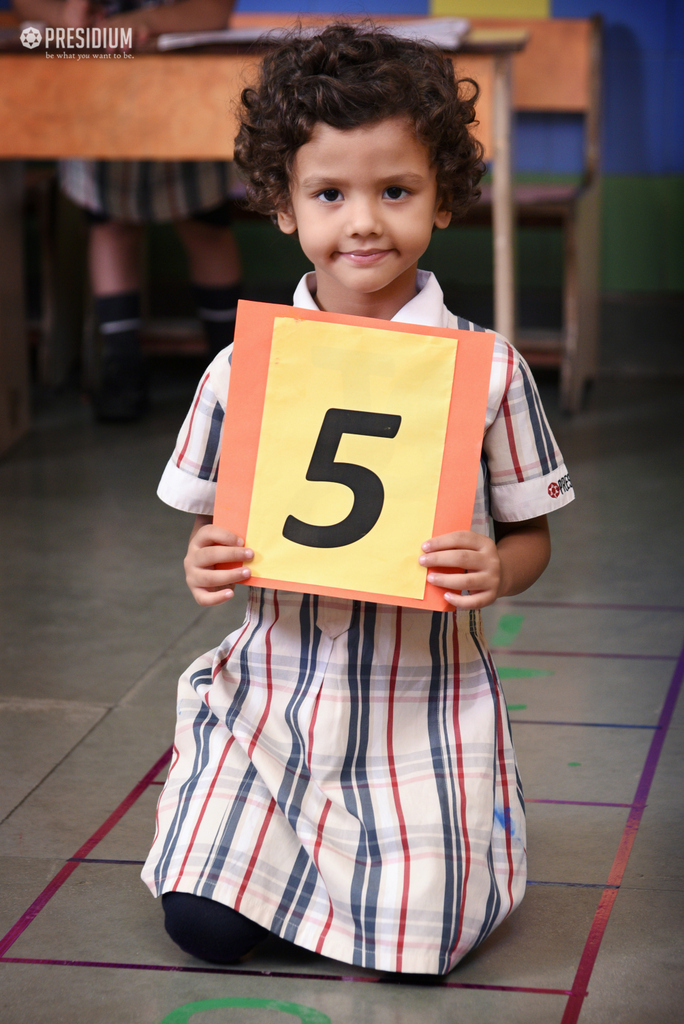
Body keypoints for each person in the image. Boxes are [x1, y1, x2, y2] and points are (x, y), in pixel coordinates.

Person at [141, 24, 575, 976]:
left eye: (396, 191)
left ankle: (400, 871)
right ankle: (272, 856)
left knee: (409, 956)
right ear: (285, 208)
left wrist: (498, 568)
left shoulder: (491, 370)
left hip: (420, 709)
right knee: (202, 933)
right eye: (329, 194)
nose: (364, 221)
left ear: (443, 200)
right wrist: (208, 557)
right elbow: (216, 530)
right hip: (272, 703)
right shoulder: (241, 368)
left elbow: (533, 537)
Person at [14, 0, 242, 420]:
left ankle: (230, 364)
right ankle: (123, 368)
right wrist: (64, 15)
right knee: (110, 222)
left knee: (205, 222)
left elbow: (213, 12)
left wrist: (144, 21)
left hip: (184, 85)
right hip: (99, 86)